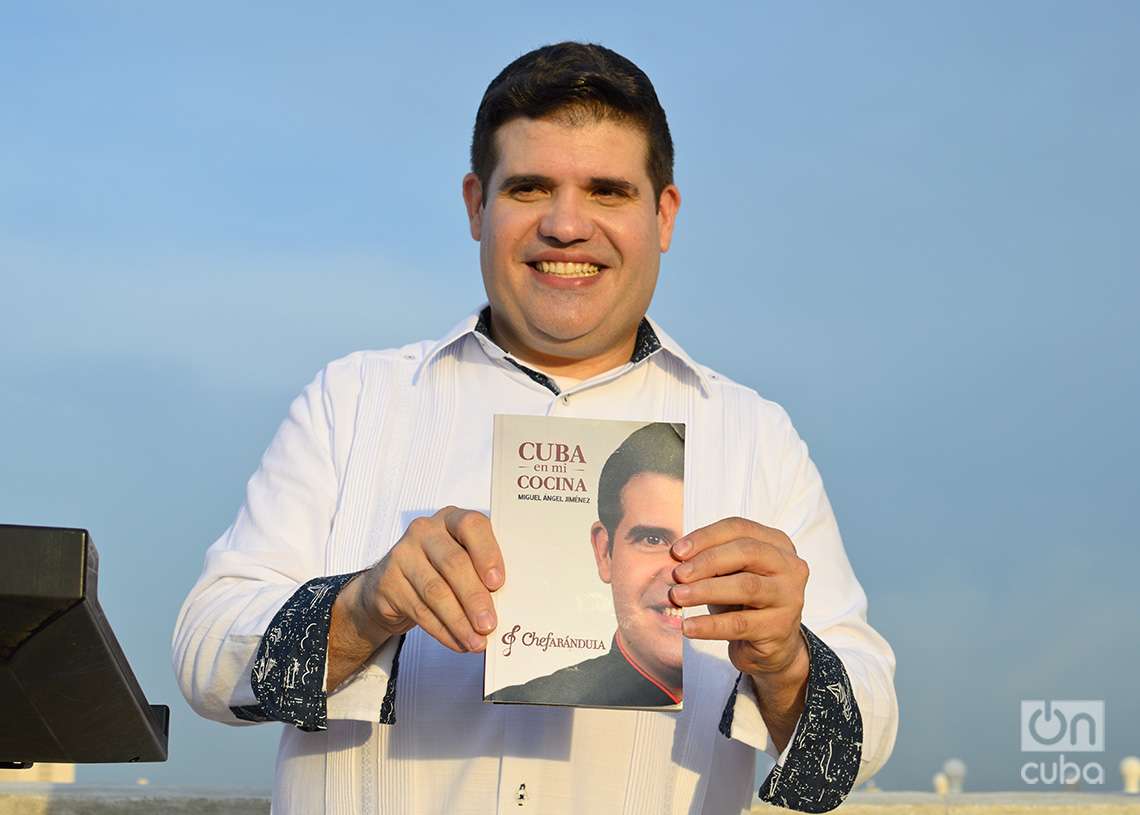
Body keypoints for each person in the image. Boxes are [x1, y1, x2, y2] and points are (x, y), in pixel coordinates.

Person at [172, 42, 898, 814]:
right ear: (476, 205)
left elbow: (864, 740)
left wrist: (785, 661)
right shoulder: (352, 401)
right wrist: (363, 606)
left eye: (608, 191)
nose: (566, 224)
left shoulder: (757, 436)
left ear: (664, 216)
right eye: (530, 187)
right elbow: (203, 658)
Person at [490, 422, 685, 707]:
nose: (680, 573)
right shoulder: (516, 699)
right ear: (604, 551)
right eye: (653, 539)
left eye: (701, 542)